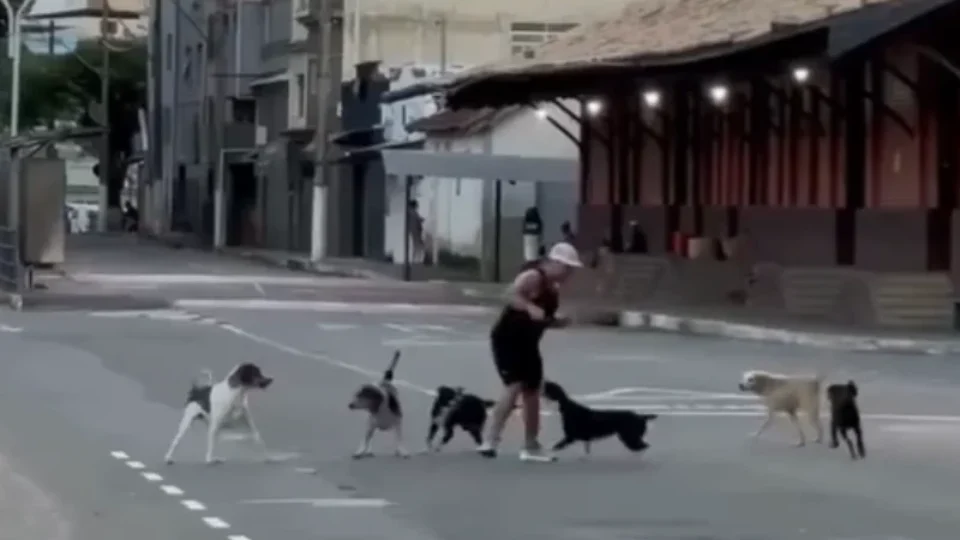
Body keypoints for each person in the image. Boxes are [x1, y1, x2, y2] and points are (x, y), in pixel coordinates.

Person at [478, 241, 583, 462]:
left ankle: (531, 444)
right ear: (554, 263)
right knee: (514, 385)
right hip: (507, 339)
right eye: (567, 268)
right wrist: (528, 306)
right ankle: (490, 440)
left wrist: (557, 323)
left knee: (533, 390)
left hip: (528, 342)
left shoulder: (553, 289)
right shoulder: (533, 277)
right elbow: (508, 294)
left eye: (571, 270)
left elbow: (542, 319)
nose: (569, 274)